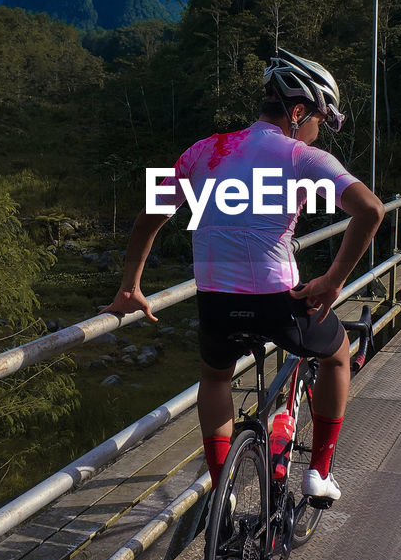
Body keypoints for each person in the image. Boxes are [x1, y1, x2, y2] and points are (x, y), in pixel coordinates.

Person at [104, 49, 385, 503]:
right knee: (337, 356)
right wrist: (333, 282)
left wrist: (130, 289)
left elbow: (145, 221)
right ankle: (319, 472)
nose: (318, 133)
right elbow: (370, 210)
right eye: (319, 120)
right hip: (279, 299)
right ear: (298, 112)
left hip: (214, 298)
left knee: (215, 379)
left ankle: (222, 491)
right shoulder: (300, 156)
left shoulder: (204, 150)